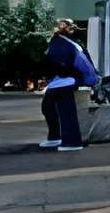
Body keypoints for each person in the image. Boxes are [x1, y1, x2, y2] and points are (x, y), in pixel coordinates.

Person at [41, 18, 99, 150]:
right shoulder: (55, 41)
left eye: (64, 26)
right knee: (48, 107)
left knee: (66, 111)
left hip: (67, 80)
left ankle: (72, 142)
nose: (60, 27)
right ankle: (55, 137)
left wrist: (92, 80)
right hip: (56, 81)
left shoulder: (71, 44)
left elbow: (84, 64)